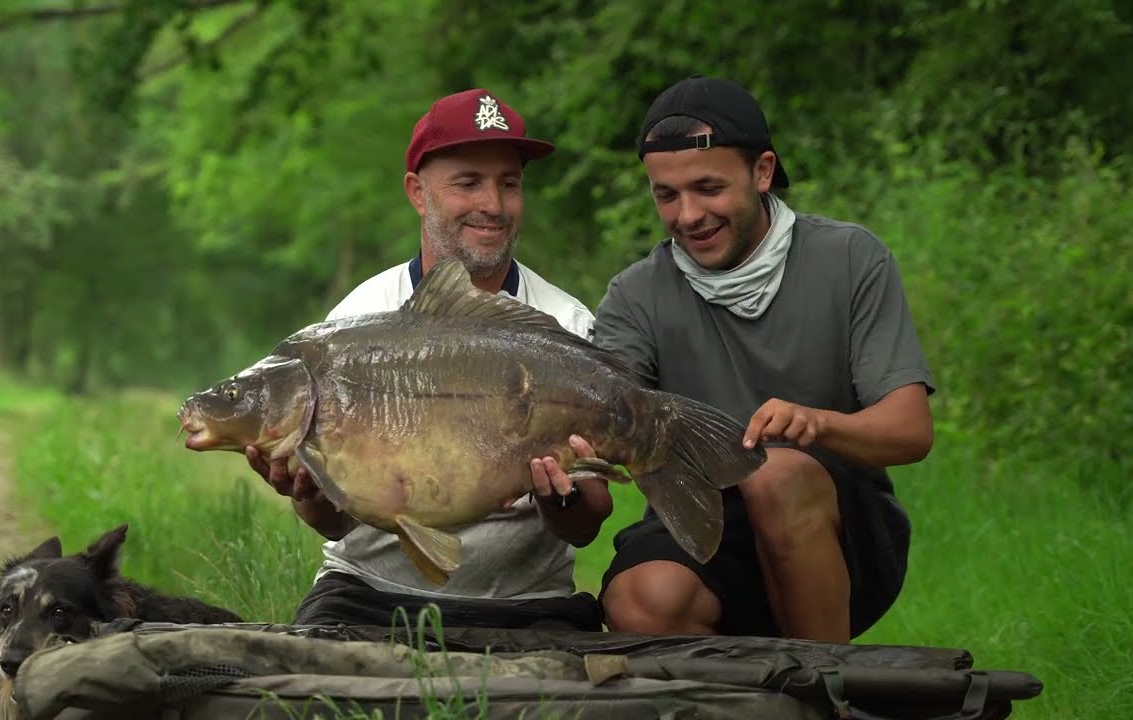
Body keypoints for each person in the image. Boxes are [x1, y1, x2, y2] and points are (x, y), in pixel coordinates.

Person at [243, 88, 614, 631]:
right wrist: (307, 495)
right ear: (418, 193)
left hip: (528, 602)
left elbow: (586, 527)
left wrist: (562, 502)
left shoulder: (566, 325)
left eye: (508, 184)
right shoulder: (355, 321)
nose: (493, 204)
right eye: (468, 182)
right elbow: (334, 525)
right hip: (369, 594)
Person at [592, 76, 936, 644]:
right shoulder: (634, 295)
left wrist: (816, 424)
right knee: (641, 600)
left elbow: (910, 432)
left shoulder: (850, 258)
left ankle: (829, 693)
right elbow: (607, 417)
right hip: (705, 523)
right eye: (666, 195)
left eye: (708, 187)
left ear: (762, 171)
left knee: (774, 474)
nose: (688, 215)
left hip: (837, 529)